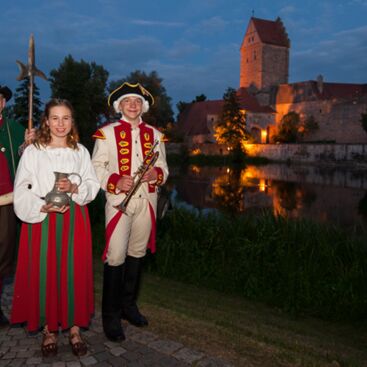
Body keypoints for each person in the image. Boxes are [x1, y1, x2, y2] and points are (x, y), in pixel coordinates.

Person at [10, 99, 100, 357]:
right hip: (43, 220)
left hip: (74, 219)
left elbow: (92, 184)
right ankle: (48, 329)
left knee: (73, 271)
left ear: (72, 122)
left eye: (66, 118)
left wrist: (74, 188)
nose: (61, 124)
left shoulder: (80, 151)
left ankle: (74, 328)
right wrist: (40, 207)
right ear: (46, 121)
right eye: (55, 118)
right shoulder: (33, 151)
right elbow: (22, 186)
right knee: (45, 271)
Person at [92, 82, 169, 341]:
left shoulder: (157, 136)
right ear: (120, 106)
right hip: (118, 202)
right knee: (115, 256)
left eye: (137, 101)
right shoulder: (106, 134)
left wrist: (155, 174)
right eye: (127, 101)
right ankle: (111, 317)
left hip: (146, 201)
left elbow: (165, 170)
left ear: (143, 106)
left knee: (137, 253)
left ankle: (128, 306)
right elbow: (97, 167)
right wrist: (115, 180)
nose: (133, 105)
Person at [0, 84, 34, 327]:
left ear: (3, 103)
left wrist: (28, 144)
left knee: (3, 255)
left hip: (6, 202)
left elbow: (27, 157)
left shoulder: (14, 129)